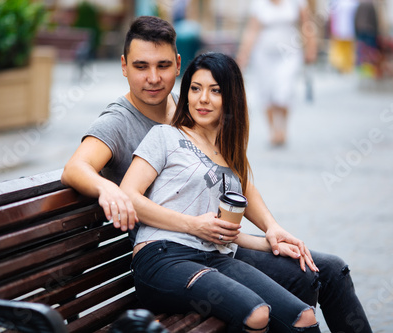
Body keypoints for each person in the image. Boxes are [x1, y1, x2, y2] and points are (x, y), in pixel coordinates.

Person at [62, 15, 372, 333]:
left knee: (326, 271)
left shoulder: (190, 107)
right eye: (141, 66)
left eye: (163, 66)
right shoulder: (119, 121)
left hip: (216, 246)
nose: (153, 78)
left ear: (178, 64)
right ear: (124, 66)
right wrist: (108, 189)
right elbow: (75, 168)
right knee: (281, 299)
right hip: (170, 251)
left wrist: (271, 228)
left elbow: (233, 177)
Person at [120, 52, 319, 333]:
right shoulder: (165, 136)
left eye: (215, 91)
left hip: (215, 256)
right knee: (257, 313)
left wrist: (270, 239)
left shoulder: (228, 154)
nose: (203, 99)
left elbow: (225, 230)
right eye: (196, 88)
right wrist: (193, 225)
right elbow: (128, 195)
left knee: (304, 318)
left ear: (231, 98)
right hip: (163, 256)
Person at [237, 0, 317, 146]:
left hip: (289, 53)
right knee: (266, 90)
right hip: (263, 54)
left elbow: (307, 24)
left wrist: (311, 46)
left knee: (284, 89)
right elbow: (252, 30)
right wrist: (244, 54)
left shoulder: (297, 3)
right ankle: (273, 130)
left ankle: (283, 126)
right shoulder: (258, 4)